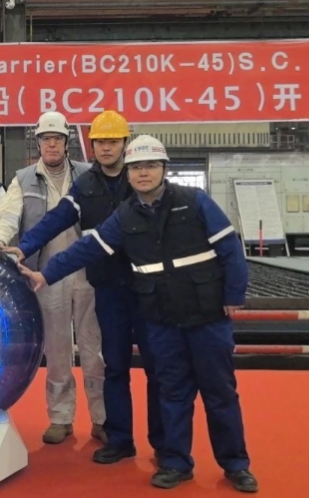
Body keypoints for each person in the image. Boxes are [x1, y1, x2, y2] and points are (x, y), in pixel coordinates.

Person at [19, 135, 258, 493]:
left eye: (150, 166)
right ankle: (175, 462)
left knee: (219, 392)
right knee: (172, 392)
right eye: (136, 168)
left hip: (207, 314)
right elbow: (88, 248)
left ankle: (236, 464)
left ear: (164, 169)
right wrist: (45, 274)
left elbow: (229, 248)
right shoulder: (125, 216)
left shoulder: (195, 202)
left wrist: (234, 294)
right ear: (128, 173)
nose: (143, 173)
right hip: (162, 318)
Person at [3, 110, 163, 463]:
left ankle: (140, 436)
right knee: (79, 354)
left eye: (112, 141)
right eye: (100, 142)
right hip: (88, 279)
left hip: (137, 286)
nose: (106, 148)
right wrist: (21, 247)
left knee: (121, 360)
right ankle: (96, 429)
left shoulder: (135, 180)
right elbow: (53, 219)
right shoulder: (78, 184)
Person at [0, 111, 106, 445]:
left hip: (88, 273)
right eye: (46, 139)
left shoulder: (88, 175)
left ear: (67, 142)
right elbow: (7, 216)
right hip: (46, 276)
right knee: (56, 349)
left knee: (95, 348)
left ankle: (103, 418)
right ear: (37, 142)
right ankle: (60, 417)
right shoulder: (22, 180)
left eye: (57, 138)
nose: (52, 144)